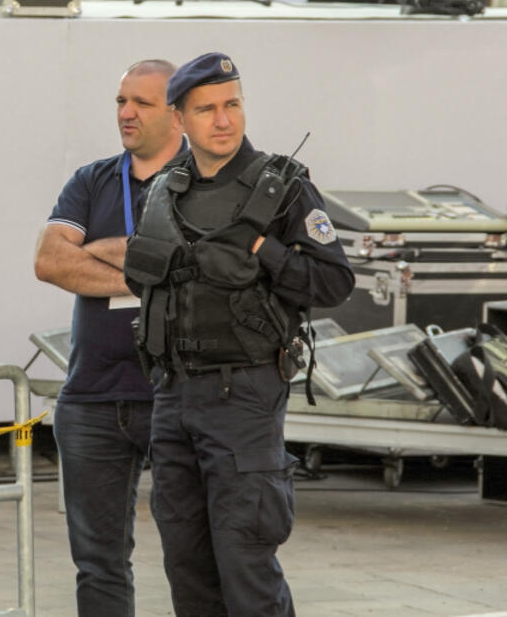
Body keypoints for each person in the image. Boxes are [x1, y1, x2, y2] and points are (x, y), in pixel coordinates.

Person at [123, 52, 354, 617]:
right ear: (180, 119)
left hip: (244, 397)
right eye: (207, 109)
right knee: (186, 565)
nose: (223, 120)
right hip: (173, 395)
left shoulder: (285, 188)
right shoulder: (163, 190)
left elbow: (334, 281)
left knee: (245, 562)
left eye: (232, 104)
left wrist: (263, 249)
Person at [34, 59, 186, 616]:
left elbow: (201, 267)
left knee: (194, 552)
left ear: (176, 113)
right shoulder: (92, 180)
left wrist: (97, 251)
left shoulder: (205, 181)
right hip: (93, 398)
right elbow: (50, 261)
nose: (126, 113)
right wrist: (151, 272)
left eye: (141, 103)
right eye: (121, 101)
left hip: (177, 395)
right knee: (98, 563)